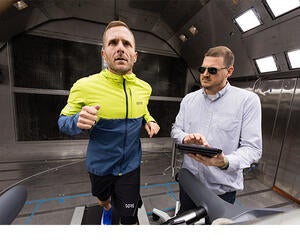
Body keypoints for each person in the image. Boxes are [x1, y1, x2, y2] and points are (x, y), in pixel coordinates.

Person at [58, 20, 160, 225]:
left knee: (128, 214)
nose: (120, 48)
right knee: (103, 198)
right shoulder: (84, 86)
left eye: (126, 44)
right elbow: (63, 122)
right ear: (104, 54)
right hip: (100, 166)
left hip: (131, 165)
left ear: (135, 56)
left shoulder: (144, 88)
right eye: (113, 43)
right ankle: (106, 207)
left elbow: (142, 109)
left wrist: (149, 119)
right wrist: (78, 121)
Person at [171, 46, 262, 222]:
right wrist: (185, 137)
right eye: (202, 69)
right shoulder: (189, 100)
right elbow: (176, 129)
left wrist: (225, 161)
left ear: (229, 71)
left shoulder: (247, 102)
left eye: (212, 70)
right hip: (190, 184)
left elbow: (253, 149)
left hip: (221, 191)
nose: (205, 74)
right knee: (184, 224)